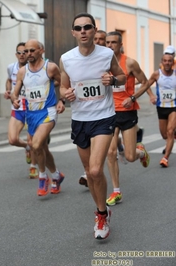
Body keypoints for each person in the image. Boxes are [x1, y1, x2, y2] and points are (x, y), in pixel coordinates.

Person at [60, 13, 126, 240]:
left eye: (87, 27)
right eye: (79, 28)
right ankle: (102, 210)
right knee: (89, 173)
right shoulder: (66, 58)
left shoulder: (107, 54)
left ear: (94, 30)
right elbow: (63, 86)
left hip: (104, 117)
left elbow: (122, 76)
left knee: (96, 169)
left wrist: (113, 81)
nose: (83, 31)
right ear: (73, 33)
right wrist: (65, 94)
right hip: (80, 119)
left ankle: (100, 215)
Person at [11, 39, 65, 196]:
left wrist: (61, 100)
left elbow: (63, 84)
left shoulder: (51, 67)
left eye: (32, 51)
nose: (28, 54)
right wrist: (14, 99)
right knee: (42, 148)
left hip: (48, 112)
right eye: (26, 51)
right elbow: (16, 91)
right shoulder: (22, 71)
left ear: (41, 51)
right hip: (31, 114)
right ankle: (56, 175)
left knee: (35, 145)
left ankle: (43, 177)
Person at [104, 31, 150, 206]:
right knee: (111, 152)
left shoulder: (129, 63)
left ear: (120, 44)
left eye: (113, 42)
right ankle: (116, 191)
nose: (109, 45)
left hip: (127, 111)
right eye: (107, 42)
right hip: (108, 112)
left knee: (130, 156)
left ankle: (140, 152)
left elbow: (145, 82)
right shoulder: (101, 62)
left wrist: (132, 98)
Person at [5, 42, 39, 179]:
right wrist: (8, 91)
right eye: (19, 53)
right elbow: (9, 80)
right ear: (16, 54)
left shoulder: (35, 68)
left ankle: (34, 167)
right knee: (13, 139)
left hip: (33, 108)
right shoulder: (11, 68)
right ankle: (27, 147)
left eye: (24, 52)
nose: (22, 55)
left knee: (33, 141)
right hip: (17, 108)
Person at [79, 29, 108, 187]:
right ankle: (121, 147)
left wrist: (113, 80)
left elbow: (121, 78)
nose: (98, 41)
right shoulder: (78, 58)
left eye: (101, 39)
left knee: (107, 151)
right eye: (95, 39)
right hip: (86, 113)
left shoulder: (108, 57)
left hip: (110, 108)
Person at [143, 47, 176, 168]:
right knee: (164, 135)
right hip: (161, 107)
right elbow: (145, 84)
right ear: (162, 62)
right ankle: (172, 138)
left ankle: (165, 158)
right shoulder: (157, 74)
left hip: (174, 107)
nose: (167, 63)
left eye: (169, 61)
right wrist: (151, 95)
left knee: (170, 131)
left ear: (173, 62)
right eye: (165, 61)